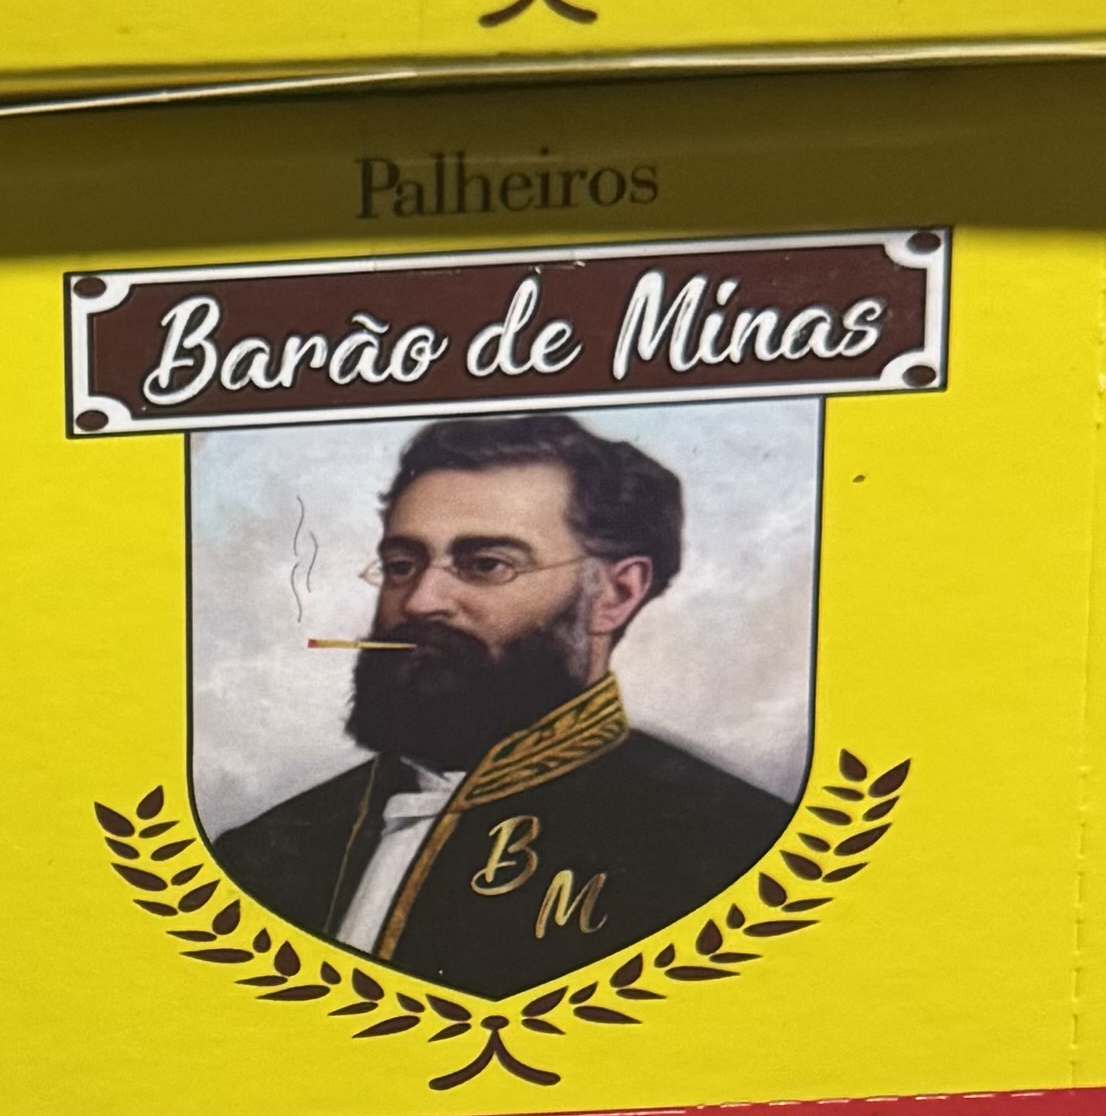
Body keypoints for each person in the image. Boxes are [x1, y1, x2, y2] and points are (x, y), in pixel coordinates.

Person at [204, 413, 783, 988]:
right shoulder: (259, 856)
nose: (420, 601)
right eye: (402, 565)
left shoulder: (743, 853)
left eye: (486, 565)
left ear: (615, 593)